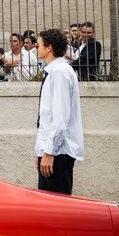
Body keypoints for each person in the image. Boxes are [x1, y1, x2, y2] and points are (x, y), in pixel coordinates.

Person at [35, 28, 84, 195]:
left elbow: (60, 118)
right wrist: (41, 151)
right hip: (52, 150)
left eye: (38, 44)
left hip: (58, 153)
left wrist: (49, 153)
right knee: (47, 207)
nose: (36, 47)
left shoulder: (60, 72)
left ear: (49, 48)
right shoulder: (54, 71)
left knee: (56, 209)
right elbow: (46, 117)